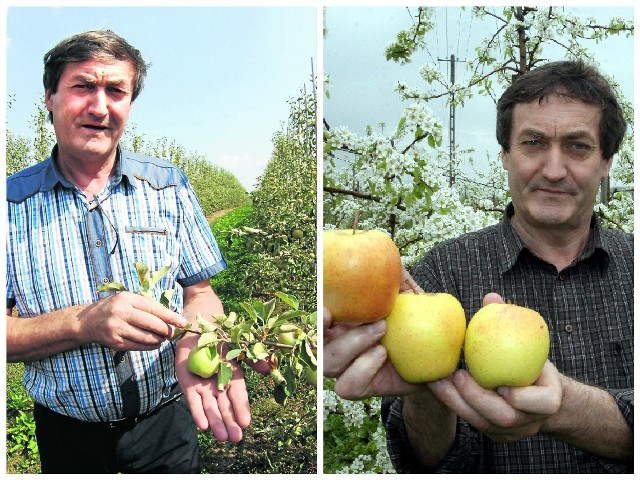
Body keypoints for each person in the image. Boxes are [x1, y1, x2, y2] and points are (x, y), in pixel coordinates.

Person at [323, 60, 633, 473]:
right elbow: (426, 465)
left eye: (578, 146)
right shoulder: (438, 277)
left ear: (607, 160)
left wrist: (568, 410)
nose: (554, 170)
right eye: (533, 143)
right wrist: (427, 389)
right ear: (505, 155)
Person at [6, 29, 266, 474]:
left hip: (167, 426)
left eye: (116, 91)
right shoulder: (10, 205)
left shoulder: (168, 185)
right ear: (49, 97)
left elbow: (198, 292)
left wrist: (195, 338)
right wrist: (83, 323)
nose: (99, 106)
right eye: (83, 86)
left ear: (129, 104)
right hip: (67, 436)